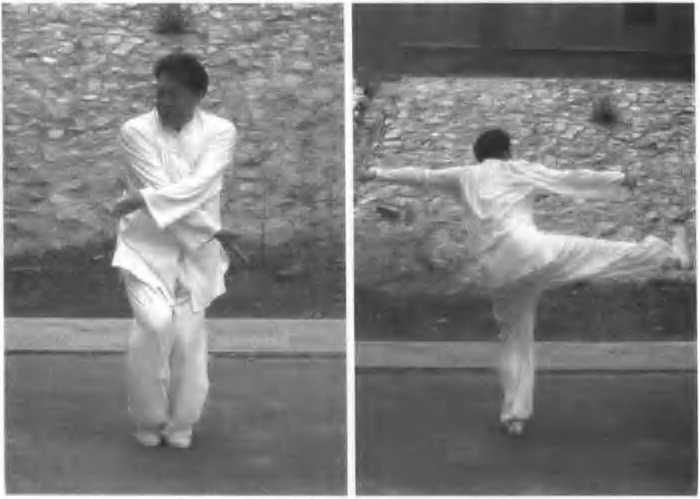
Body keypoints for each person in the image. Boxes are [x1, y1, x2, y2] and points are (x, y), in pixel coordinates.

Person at [361, 128, 691, 437]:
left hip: (498, 271)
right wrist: (618, 179)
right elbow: (567, 179)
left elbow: (422, 176)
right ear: (507, 152)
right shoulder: (516, 169)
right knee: (601, 254)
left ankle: (514, 416)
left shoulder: (463, 176)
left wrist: (376, 172)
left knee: (514, 339)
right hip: (531, 253)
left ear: (478, 156)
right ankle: (670, 257)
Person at [111, 52, 237, 448]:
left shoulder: (221, 131)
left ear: (197, 96)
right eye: (159, 93)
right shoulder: (135, 130)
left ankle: (182, 423)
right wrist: (215, 231)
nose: (162, 101)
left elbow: (199, 187)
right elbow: (162, 189)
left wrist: (143, 199)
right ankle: (148, 419)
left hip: (197, 257)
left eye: (173, 94)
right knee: (155, 323)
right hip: (144, 249)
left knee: (187, 339)